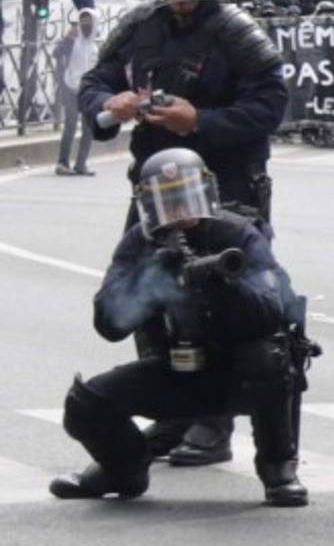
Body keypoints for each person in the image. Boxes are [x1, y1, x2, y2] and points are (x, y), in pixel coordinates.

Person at [77, 0, 289, 468]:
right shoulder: (139, 25)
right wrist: (112, 104)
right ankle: (168, 409)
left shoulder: (235, 30)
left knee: (219, 299)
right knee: (149, 298)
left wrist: (201, 121)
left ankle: (213, 422)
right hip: (154, 186)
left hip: (225, 188)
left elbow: (270, 105)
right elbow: (93, 84)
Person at [49, 148, 314, 507]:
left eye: (187, 198)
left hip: (239, 370)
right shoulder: (139, 242)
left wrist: (221, 285)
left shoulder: (238, 234)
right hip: (178, 367)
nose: (178, 212)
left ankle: (278, 467)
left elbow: (271, 310)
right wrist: (150, 276)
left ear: (206, 194)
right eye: (166, 202)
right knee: (85, 405)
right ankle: (124, 468)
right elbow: (109, 324)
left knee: (267, 355)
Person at [53, 9, 99, 176]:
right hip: (70, 88)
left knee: (88, 129)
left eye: (89, 22)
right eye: (83, 21)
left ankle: (81, 164)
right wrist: (66, 39)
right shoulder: (72, 42)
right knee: (70, 126)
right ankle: (62, 163)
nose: (86, 25)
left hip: (87, 92)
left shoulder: (94, 47)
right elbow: (56, 53)